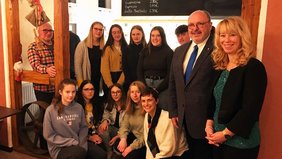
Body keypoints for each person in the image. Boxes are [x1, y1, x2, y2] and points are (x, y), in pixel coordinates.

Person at [205, 16, 267, 159]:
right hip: (217, 139)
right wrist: (209, 125)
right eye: (222, 35)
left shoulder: (253, 67)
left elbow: (250, 109)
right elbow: (213, 102)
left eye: (232, 35)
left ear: (242, 37)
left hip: (241, 143)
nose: (226, 40)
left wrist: (226, 134)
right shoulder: (220, 67)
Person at [168, 10, 216, 159]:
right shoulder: (180, 50)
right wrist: (174, 111)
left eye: (200, 24)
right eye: (191, 25)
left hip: (206, 121)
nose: (195, 28)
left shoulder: (218, 50)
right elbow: (173, 82)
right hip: (183, 118)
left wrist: (212, 119)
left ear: (210, 25)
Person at [43, 79, 88, 159]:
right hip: (59, 148)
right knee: (79, 153)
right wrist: (72, 142)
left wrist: (82, 144)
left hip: (77, 143)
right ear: (60, 92)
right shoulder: (50, 110)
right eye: (67, 92)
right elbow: (48, 135)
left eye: (73, 92)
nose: (71, 95)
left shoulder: (79, 107)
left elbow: (83, 128)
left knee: (100, 154)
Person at [141, 86, 188, 159]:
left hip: (176, 155)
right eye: (143, 101)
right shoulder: (147, 116)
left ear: (156, 101)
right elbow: (149, 143)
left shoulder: (167, 118)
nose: (146, 104)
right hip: (160, 155)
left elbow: (168, 149)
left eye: (149, 100)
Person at [137, 26, 173, 111]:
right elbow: (139, 71)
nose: (155, 38)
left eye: (158, 35)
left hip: (162, 86)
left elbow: (170, 74)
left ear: (162, 37)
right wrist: (144, 87)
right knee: (146, 110)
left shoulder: (168, 52)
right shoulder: (145, 51)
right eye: (152, 35)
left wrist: (157, 90)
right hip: (146, 85)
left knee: (162, 109)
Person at [77, 80, 107, 159]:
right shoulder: (77, 106)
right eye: (86, 89)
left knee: (103, 150)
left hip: (94, 132)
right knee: (100, 154)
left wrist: (105, 121)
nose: (90, 92)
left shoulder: (96, 103)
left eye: (92, 89)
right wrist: (90, 137)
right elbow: (76, 129)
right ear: (81, 91)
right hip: (82, 137)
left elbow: (102, 117)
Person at [27, 22, 56, 104]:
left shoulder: (58, 44)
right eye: (45, 30)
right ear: (38, 32)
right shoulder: (33, 46)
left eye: (51, 30)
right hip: (43, 88)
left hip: (58, 86)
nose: (49, 32)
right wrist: (47, 70)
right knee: (45, 112)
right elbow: (35, 65)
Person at [116, 81, 146, 159]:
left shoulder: (147, 108)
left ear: (143, 93)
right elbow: (124, 125)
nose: (134, 95)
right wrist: (123, 139)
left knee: (128, 156)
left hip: (145, 142)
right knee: (118, 145)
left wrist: (131, 148)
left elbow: (147, 136)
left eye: (138, 92)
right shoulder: (130, 107)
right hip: (135, 137)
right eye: (132, 92)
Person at [75, 21, 105, 98]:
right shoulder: (82, 45)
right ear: (91, 30)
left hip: (99, 79)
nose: (98, 31)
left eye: (100, 30)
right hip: (86, 79)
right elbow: (77, 66)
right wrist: (81, 83)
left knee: (96, 101)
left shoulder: (104, 46)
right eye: (96, 29)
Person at [99, 83, 126, 159]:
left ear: (122, 93)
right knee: (102, 128)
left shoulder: (127, 105)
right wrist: (105, 121)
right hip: (114, 130)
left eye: (118, 92)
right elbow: (106, 115)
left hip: (124, 132)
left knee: (119, 152)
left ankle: (116, 149)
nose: (115, 94)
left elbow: (128, 125)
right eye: (113, 92)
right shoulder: (109, 104)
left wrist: (118, 136)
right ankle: (109, 150)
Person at [101, 24, 128, 98]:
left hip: (124, 78)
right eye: (114, 32)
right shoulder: (107, 49)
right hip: (110, 79)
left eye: (118, 32)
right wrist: (110, 85)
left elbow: (127, 67)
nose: (117, 34)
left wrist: (119, 83)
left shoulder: (127, 48)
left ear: (121, 33)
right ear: (111, 34)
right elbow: (104, 68)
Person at [122, 25, 147, 92]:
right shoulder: (126, 49)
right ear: (131, 36)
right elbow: (125, 67)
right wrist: (131, 83)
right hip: (130, 82)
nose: (136, 36)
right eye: (133, 34)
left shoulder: (147, 49)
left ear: (142, 35)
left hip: (145, 82)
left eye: (138, 34)